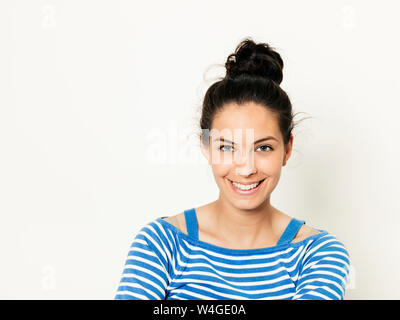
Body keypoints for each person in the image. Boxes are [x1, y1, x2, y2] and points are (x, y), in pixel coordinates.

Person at [114, 37, 350, 300]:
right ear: (206, 146)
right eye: (227, 147)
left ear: (287, 148)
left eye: (263, 148)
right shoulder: (159, 244)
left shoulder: (318, 254)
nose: (246, 168)